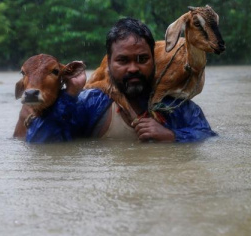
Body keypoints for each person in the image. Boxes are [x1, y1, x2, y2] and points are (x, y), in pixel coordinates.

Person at [19, 18, 217, 143]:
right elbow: (41, 143)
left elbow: (210, 139)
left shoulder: (177, 105)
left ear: (154, 61)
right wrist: (70, 93)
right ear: (109, 63)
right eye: (123, 60)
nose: (133, 68)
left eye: (142, 59)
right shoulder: (90, 103)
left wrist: (172, 136)